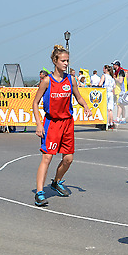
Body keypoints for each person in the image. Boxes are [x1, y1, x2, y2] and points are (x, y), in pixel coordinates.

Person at [32, 45, 92, 206]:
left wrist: (85, 106)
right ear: (55, 61)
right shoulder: (47, 81)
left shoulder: (70, 80)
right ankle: (39, 193)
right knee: (47, 157)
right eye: (63, 61)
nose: (66, 63)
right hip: (51, 123)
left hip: (67, 123)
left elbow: (78, 97)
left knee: (68, 159)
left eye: (67, 60)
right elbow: (35, 103)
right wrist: (39, 124)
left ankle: (56, 182)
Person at [98, 65, 115, 129]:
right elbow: (114, 86)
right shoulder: (111, 77)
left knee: (105, 108)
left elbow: (100, 84)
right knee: (110, 109)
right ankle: (111, 123)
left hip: (105, 92)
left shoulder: (104, 76)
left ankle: (106, 123)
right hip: (111, 92)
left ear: (105, 69)